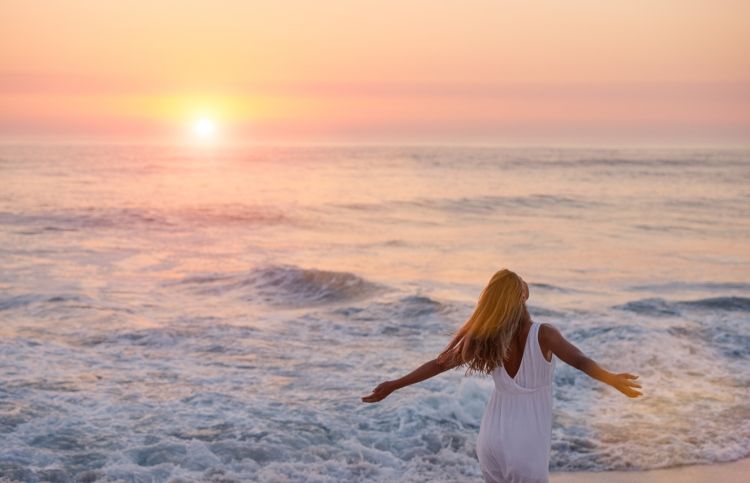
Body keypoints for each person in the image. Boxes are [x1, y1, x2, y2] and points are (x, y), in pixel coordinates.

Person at [361, 268, 642, 483]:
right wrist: (611, 379)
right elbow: (579, 360)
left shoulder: (488, 340)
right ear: (523, 295)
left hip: (492, 440)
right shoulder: (543, 334)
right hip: (526, 443)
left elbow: (438, 364)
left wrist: (395, 385)